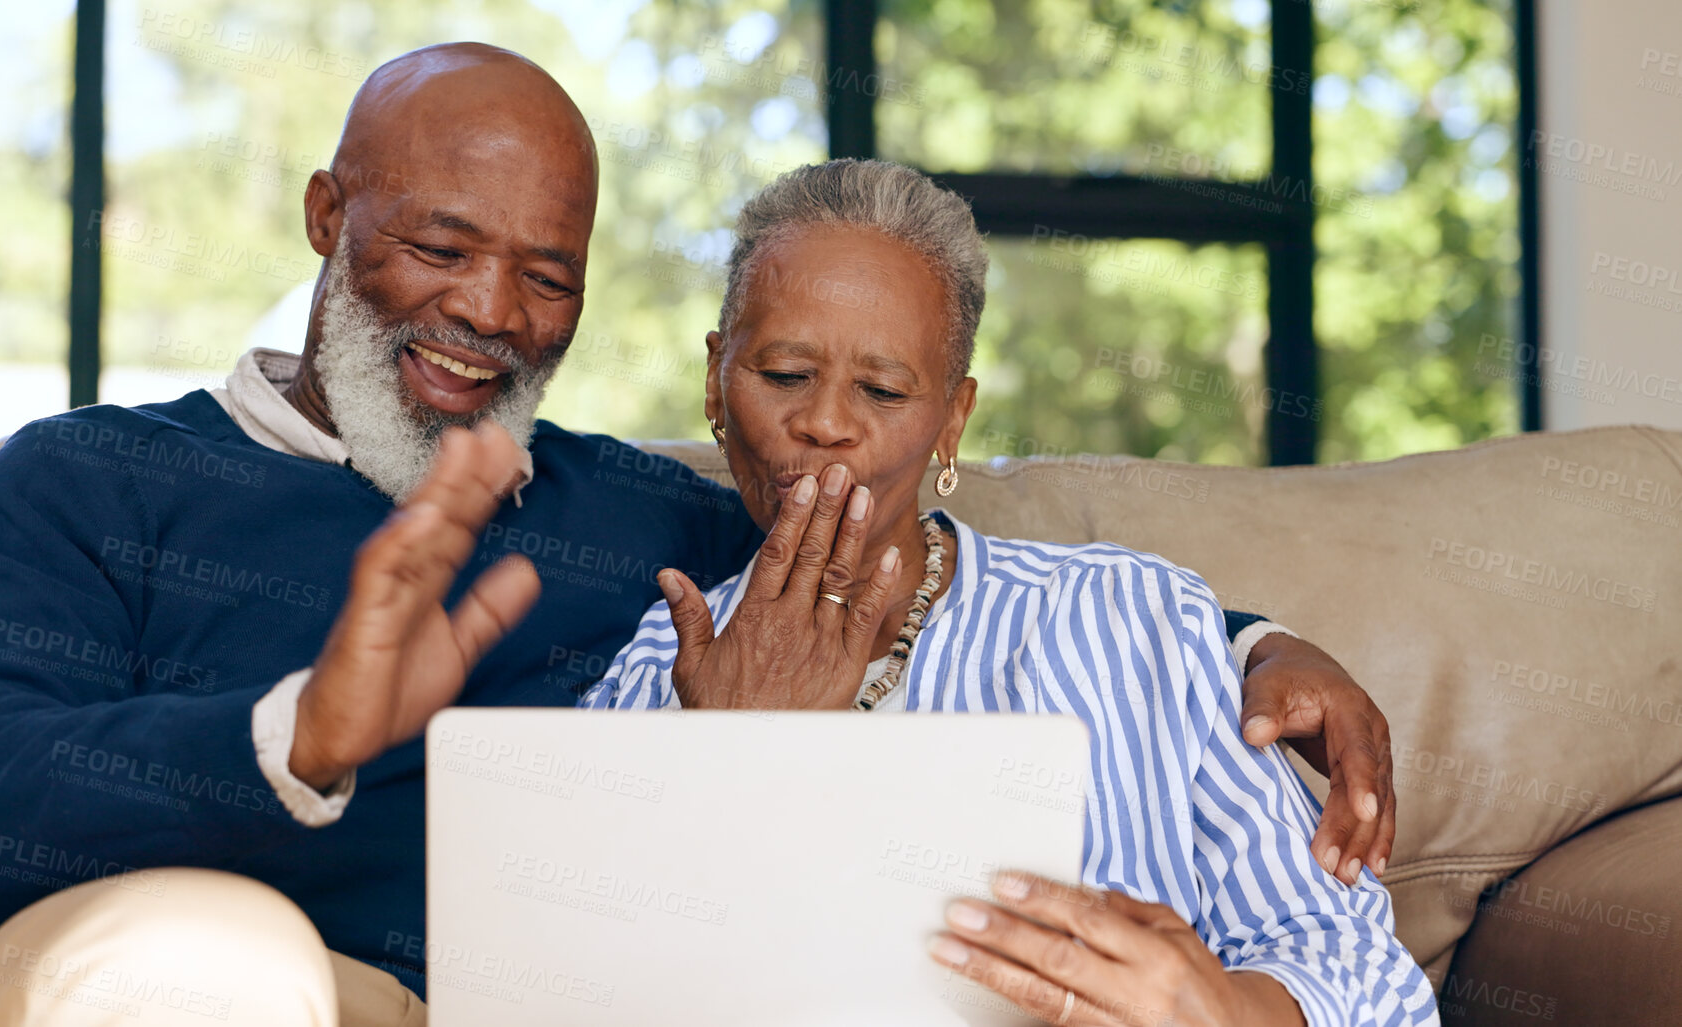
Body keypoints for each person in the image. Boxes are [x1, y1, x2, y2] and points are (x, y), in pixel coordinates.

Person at [0, 44, 1396, 1027]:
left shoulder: (647, 527)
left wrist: (1250, 642)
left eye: (545, 270)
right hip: (135, 981)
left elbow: (909, 544)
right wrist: (297, 737)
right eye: (437, 245)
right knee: (215, 968)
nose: (487, 311)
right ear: (327, 211)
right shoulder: (98, 477)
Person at [579, 159, 1440, 1026]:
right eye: (783, 374)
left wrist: (1220, 1009)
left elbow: (1363, 971)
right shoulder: (658, 664)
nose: (827, 423)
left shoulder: (1126, 620)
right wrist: (726, 760)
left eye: (881, 389)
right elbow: (568, 978)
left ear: (951, 419)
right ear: (714, 383)